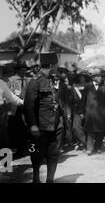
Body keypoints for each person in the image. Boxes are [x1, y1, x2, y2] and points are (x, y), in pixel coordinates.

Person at [23, 52, 63, 183]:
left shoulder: (53, 80)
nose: (57, 67)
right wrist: (33, 126)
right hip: (41, 126)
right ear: (51, 65)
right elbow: (28, 106)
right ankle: (36, 178)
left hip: (55, 125)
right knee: (37, 155)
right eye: (56, 65)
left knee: (53, 153)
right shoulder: (35, 82)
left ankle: (50, 180)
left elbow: (57, 102)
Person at [80, 68, 105, 155]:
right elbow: (83, 100)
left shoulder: (103, 87)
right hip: (90, 113)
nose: (100, 78)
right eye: (98, 76)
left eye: (100, 76)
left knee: (100, 131)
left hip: (100, 113)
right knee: (90, 131)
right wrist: (81, 112)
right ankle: (90, 148)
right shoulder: (88, 86)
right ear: (94, 78)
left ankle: (98, 147)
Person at [0, 77, 24, 149]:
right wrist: (22, 102)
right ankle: (4, 158)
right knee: (2, 136)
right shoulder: (1, 82)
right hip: (0, 111)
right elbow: (11, 97)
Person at [70, 70, 90, 151]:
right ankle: (84, 142)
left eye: (83, 76)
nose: (82, 78)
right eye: (80, 76)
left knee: (86, 127)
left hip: (87, 109)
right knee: (76, 127)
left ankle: (84, 143)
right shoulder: (74, 87)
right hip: (76, 110)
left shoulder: (88, 86)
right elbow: (70, 99)